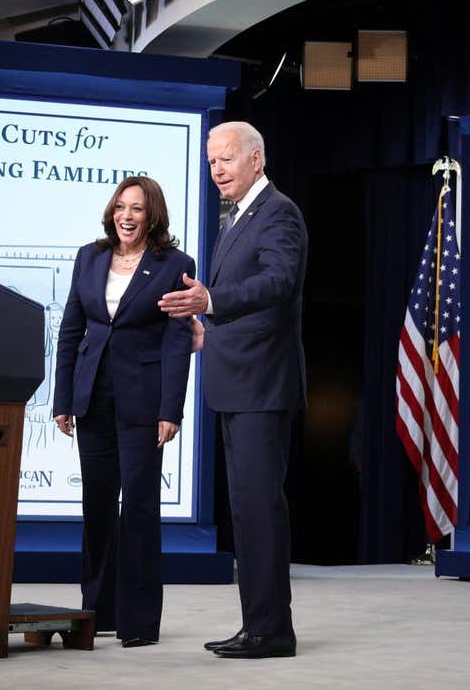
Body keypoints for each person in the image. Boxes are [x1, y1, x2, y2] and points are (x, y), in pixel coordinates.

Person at [159, 121, 307, 660]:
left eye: (225, 159)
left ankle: (272, 631)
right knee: (246, 510)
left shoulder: (279, 213)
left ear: (256, 160)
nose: (216, 169)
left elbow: (277, 283)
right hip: (236, 380)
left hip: (262, 385)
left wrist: (211, 304)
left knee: (260, 509)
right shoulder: (237, 216)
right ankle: (258, 626)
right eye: (211, 161)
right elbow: (243, 298)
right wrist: (210, 327)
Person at [53, 176, 198, 648]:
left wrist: (170, 409)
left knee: (137, 506)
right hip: (91, 397)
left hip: (143, 401)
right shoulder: (89, 257)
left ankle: (139, 622)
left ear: (151, 214)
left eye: (136, 208)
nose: (127, 216)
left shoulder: (175, 264)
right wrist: (63, 400)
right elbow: (71, 331)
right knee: (96, 507)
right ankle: (97, 612)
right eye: (120, 207)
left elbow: (179, 343)